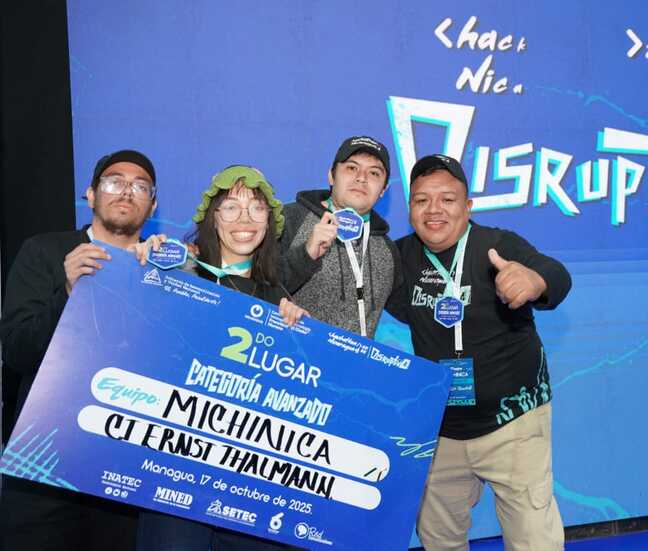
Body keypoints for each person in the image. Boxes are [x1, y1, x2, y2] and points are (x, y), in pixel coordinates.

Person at [386, 154, 572, 551]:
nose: (434, 210)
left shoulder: (497, 246)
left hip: (512, 422)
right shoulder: (399, 258)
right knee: (438, 538)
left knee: (534, 540)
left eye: (447, 199)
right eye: (422, 200)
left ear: (468, 206)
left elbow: (557, 274)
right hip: (441, 429)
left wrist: (534, 280)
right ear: (410, 209)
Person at [134, 165, 305, 550]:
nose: (245, 219)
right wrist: (139, 268)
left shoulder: (277, 298)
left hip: (247, 487)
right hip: (174, 477)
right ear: (212, 218)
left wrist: (301, 338)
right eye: (231, 207)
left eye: (256, 208)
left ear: (269, 222)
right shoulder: (177, 269)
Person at [0, 149, 159, 551]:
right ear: (90, 195)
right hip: (43, 467)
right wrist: (68, 292)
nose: (127, 191)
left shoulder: (163, 269)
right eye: (114, 182)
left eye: (140, 186)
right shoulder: (45, 252)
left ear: (153, 205)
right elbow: (17, 350)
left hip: (124, 472)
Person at [279, 136, 402, 337]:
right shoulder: (288, 219)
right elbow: (255, 286)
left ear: (383, 190)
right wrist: (305, 255)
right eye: (352, 168)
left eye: (374, 173)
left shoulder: (388, 250)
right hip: (291, 354)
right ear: (331, 176)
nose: (361, 178)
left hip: (356, 358)